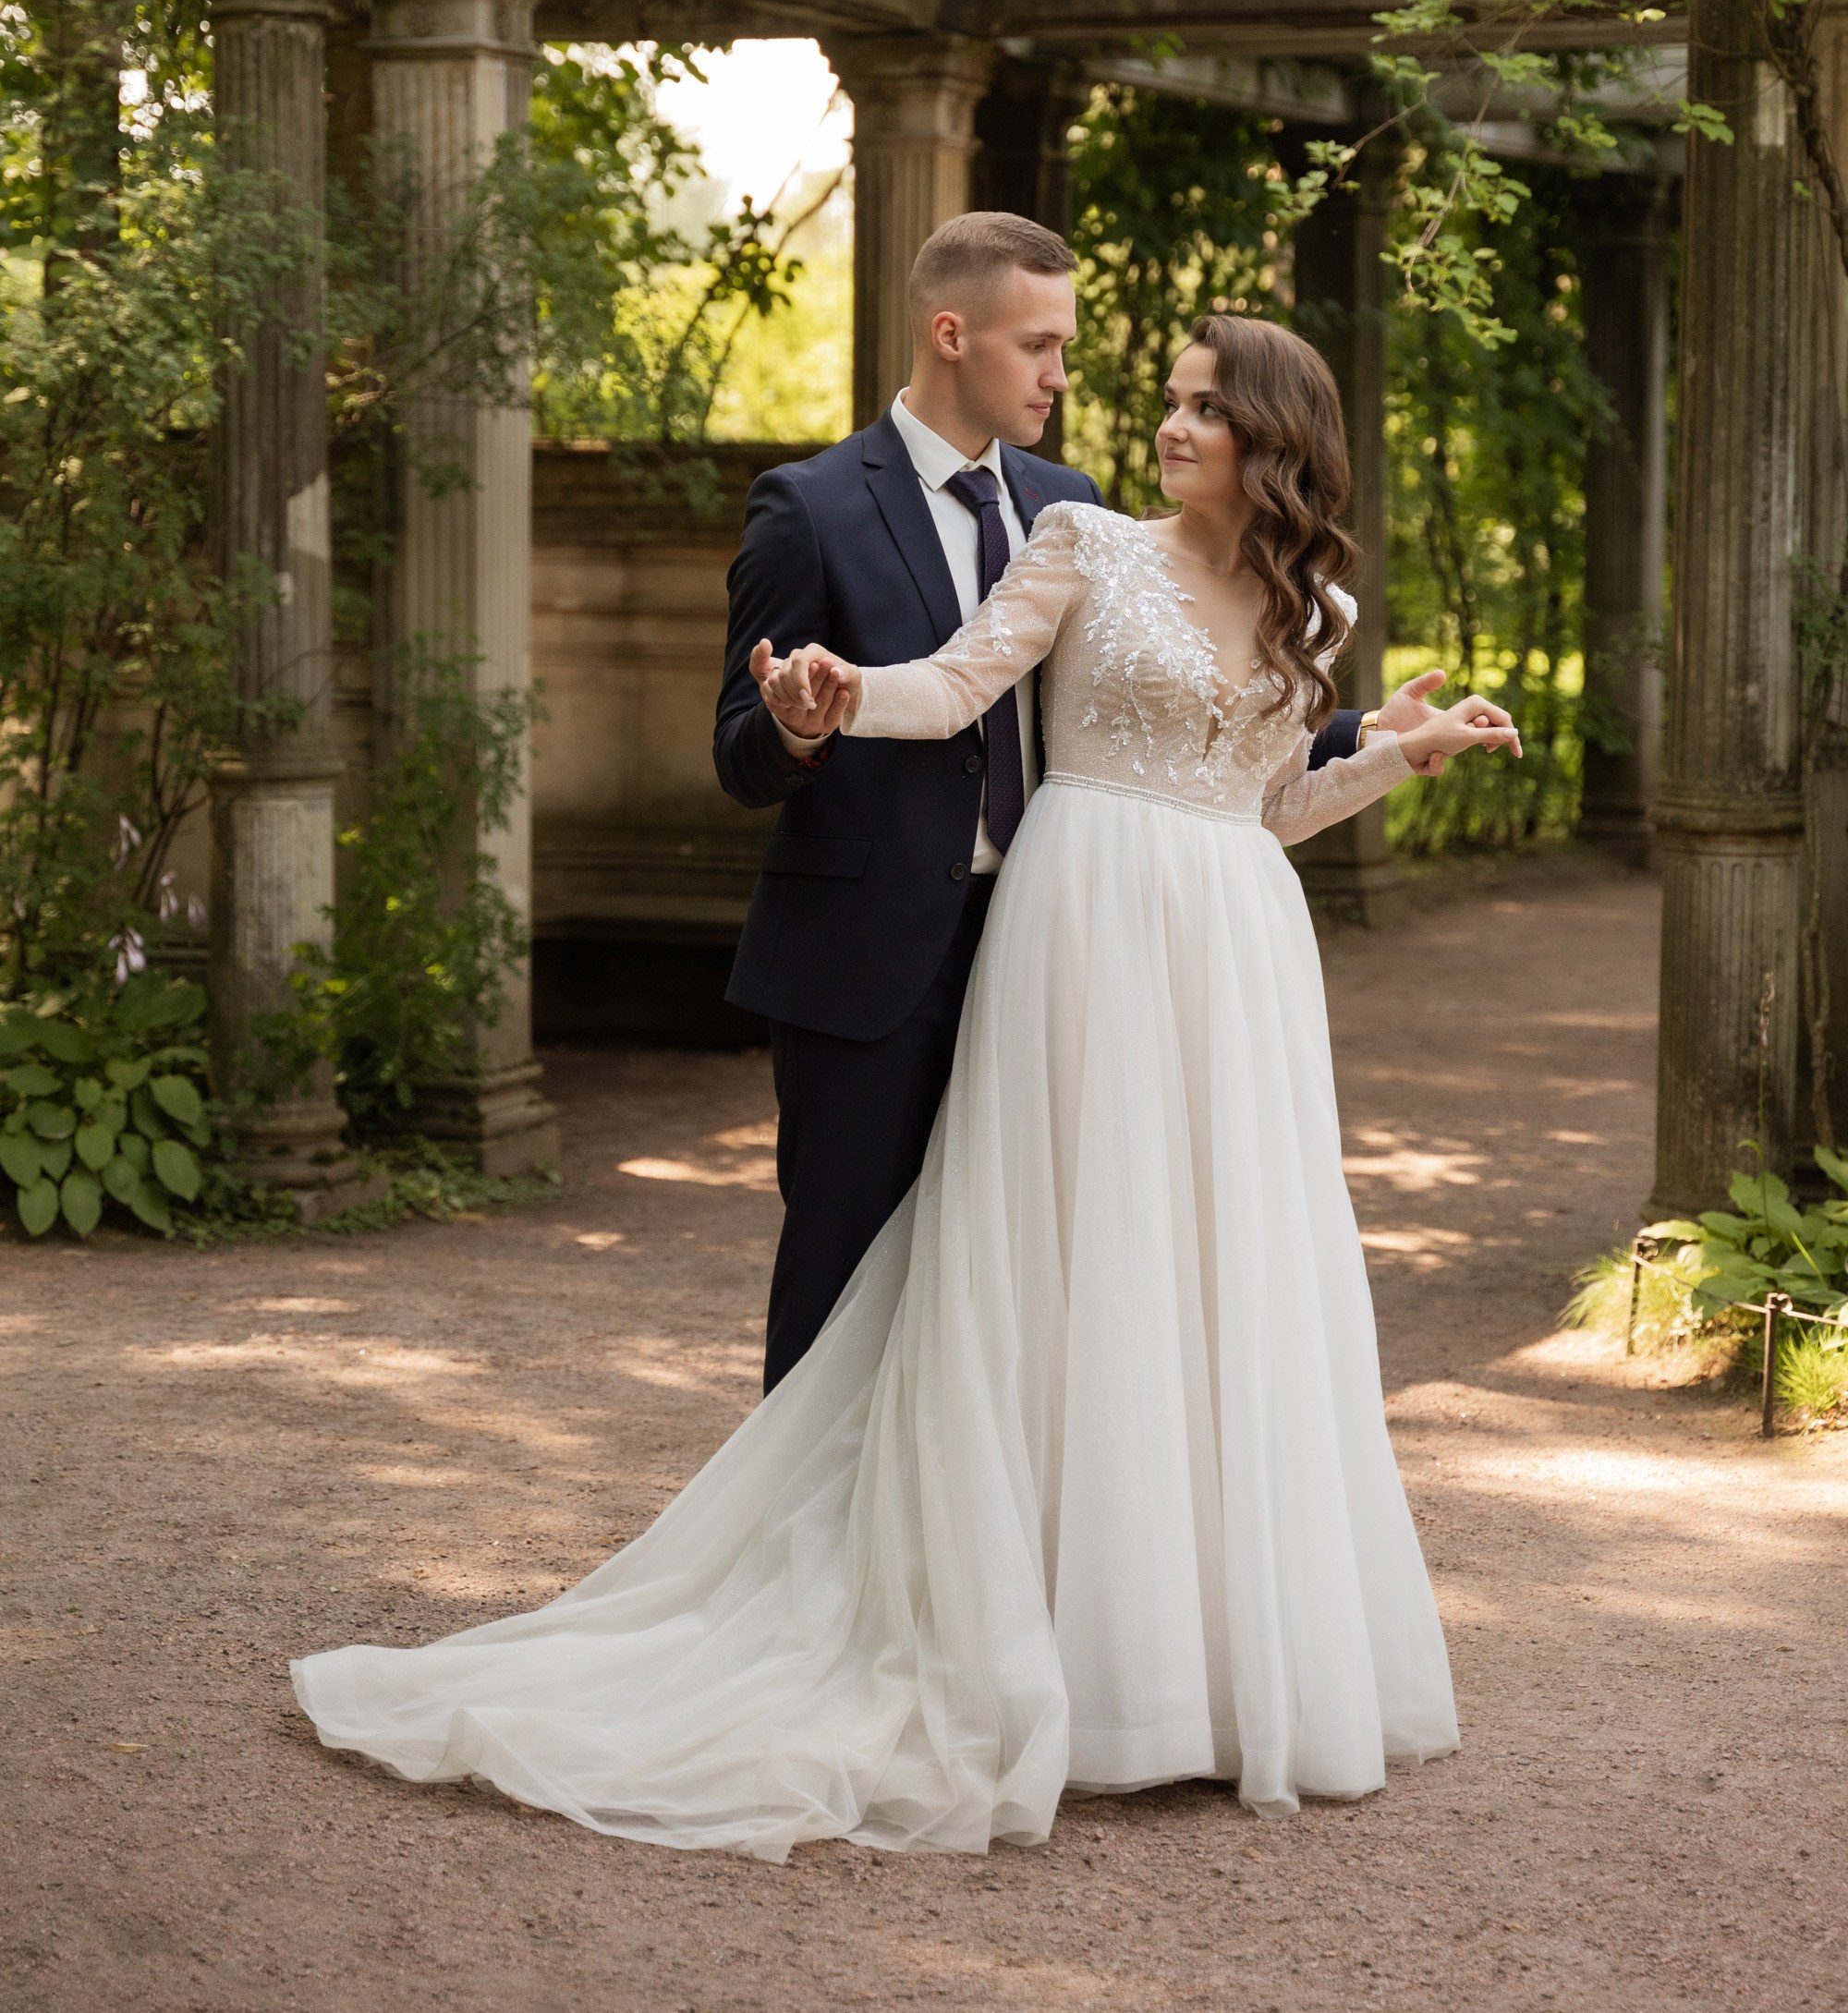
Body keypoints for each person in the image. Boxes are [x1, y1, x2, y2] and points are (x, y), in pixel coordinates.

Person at [292, 311, 1520, 1857]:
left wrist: (1401, 755)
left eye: (1208, 409)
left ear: (1276, 442)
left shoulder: (1314, 607)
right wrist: (832, 695)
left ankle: (1197, 1670)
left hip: (1236, 957)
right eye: (1172, 398)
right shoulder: (1082, 542)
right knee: (1065, 1267)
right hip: (1078, 931)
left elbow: (1265, 808)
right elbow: (950, 687)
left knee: (1213, 1279)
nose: (1171, 424)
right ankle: (1040, 1646)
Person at [711, 210, 1465, 1389]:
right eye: (1040, 345)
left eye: (1068, 346)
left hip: (1078, 947)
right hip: (868, 955)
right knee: (842, 1281)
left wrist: (1369, 735)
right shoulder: (807, 506)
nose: (1065, 375)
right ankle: (811, 1551)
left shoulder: (1074, 500)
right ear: (951, 333)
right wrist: (811, 715)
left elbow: (1178, 717)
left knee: (1061, 1273)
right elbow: (753, 745)